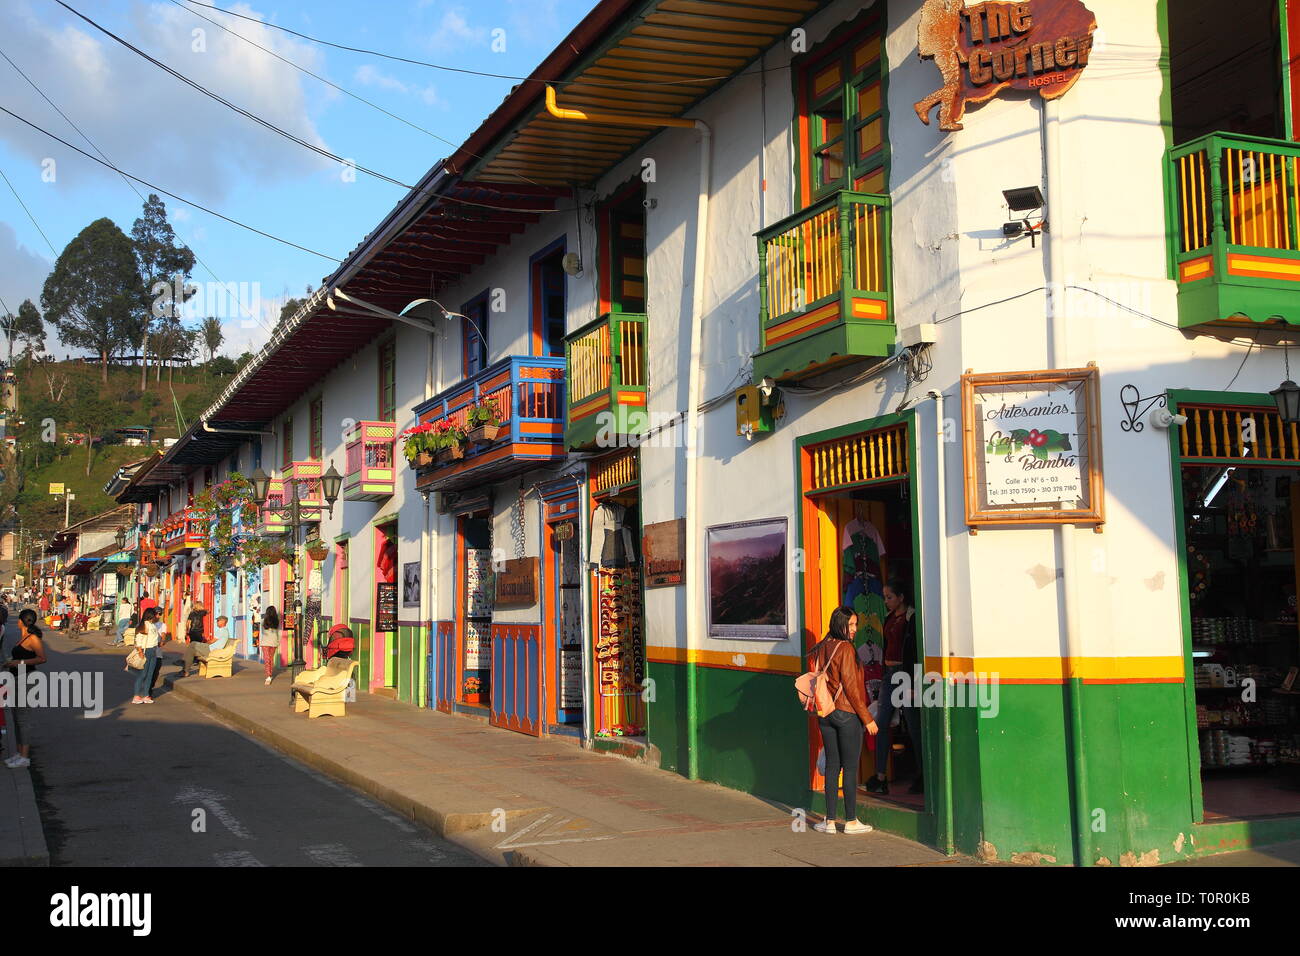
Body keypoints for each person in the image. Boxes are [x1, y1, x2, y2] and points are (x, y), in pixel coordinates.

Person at [808, 606, 878, 834]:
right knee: (848, 769)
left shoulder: (822, 646)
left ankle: (828, 822)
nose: (855, 629)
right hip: (847, 715)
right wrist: (867, 719)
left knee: (832, 767)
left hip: (826, 714)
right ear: (840, 625)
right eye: (850, 625)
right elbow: (851, 689)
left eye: (855, 624)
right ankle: (850, 821)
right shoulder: (846, 649)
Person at [865, 578, 923, 795]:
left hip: (906, 675)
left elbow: (916, 651)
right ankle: (880, 776)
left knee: (913, 725)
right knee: (880, 723)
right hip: (889, 675)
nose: (886, 601)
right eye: (885, 597)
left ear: (901, 597)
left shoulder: (912, 618)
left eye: (890, 597)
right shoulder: (889, 618)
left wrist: (915, 682)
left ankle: (922, 775)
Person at [6, 609, 48, 767]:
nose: (17, 621)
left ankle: (24, 757)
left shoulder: (33, 638)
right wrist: (11, 662)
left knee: (23, 718)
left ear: (22, 621)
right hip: (16, 678)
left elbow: (42, 658)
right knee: (16, 718)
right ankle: (18, 753)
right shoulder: (24, 637)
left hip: (27, 679)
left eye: (18, 619)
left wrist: (19, 663)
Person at [181, 612, 230, 676]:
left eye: (218, 621)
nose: (217, 622)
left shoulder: (222, 630)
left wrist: (205, 644)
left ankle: (185, 668)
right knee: (191, 649)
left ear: (223, 622)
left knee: (192, 645)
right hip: (212, 648)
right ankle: (185, 669)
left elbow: (212, 641)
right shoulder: (225, 630)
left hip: (211, 650)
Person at [132, 607, 162, 704]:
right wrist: (140, 652)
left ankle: (145, 695)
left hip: (153, 650)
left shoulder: (153, 625)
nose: (157, 616)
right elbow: (138, 639)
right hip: (146, 651)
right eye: (155, 614)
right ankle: (136, 695)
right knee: (142, 674)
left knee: (150, 674)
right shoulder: (145, 625)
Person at [178, 600, 210, 677]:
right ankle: (196, 659)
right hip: (199, 631)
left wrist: (187, 630)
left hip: (192, 631)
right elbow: (208, 611)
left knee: (193, 644)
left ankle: (192, 659)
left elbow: (188, 623)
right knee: (198, 645)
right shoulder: (202, 612)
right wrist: (204, 609)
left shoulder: (192, 613)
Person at [258, 606, 281, 685]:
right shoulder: (277, 622)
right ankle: (268, 676)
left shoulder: (263, 621)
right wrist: (278, 641)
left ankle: (269, 675)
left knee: (268, 659)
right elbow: (279, 633)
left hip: (266, 642)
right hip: (273, 642)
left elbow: (262, 633)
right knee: (270, 659)